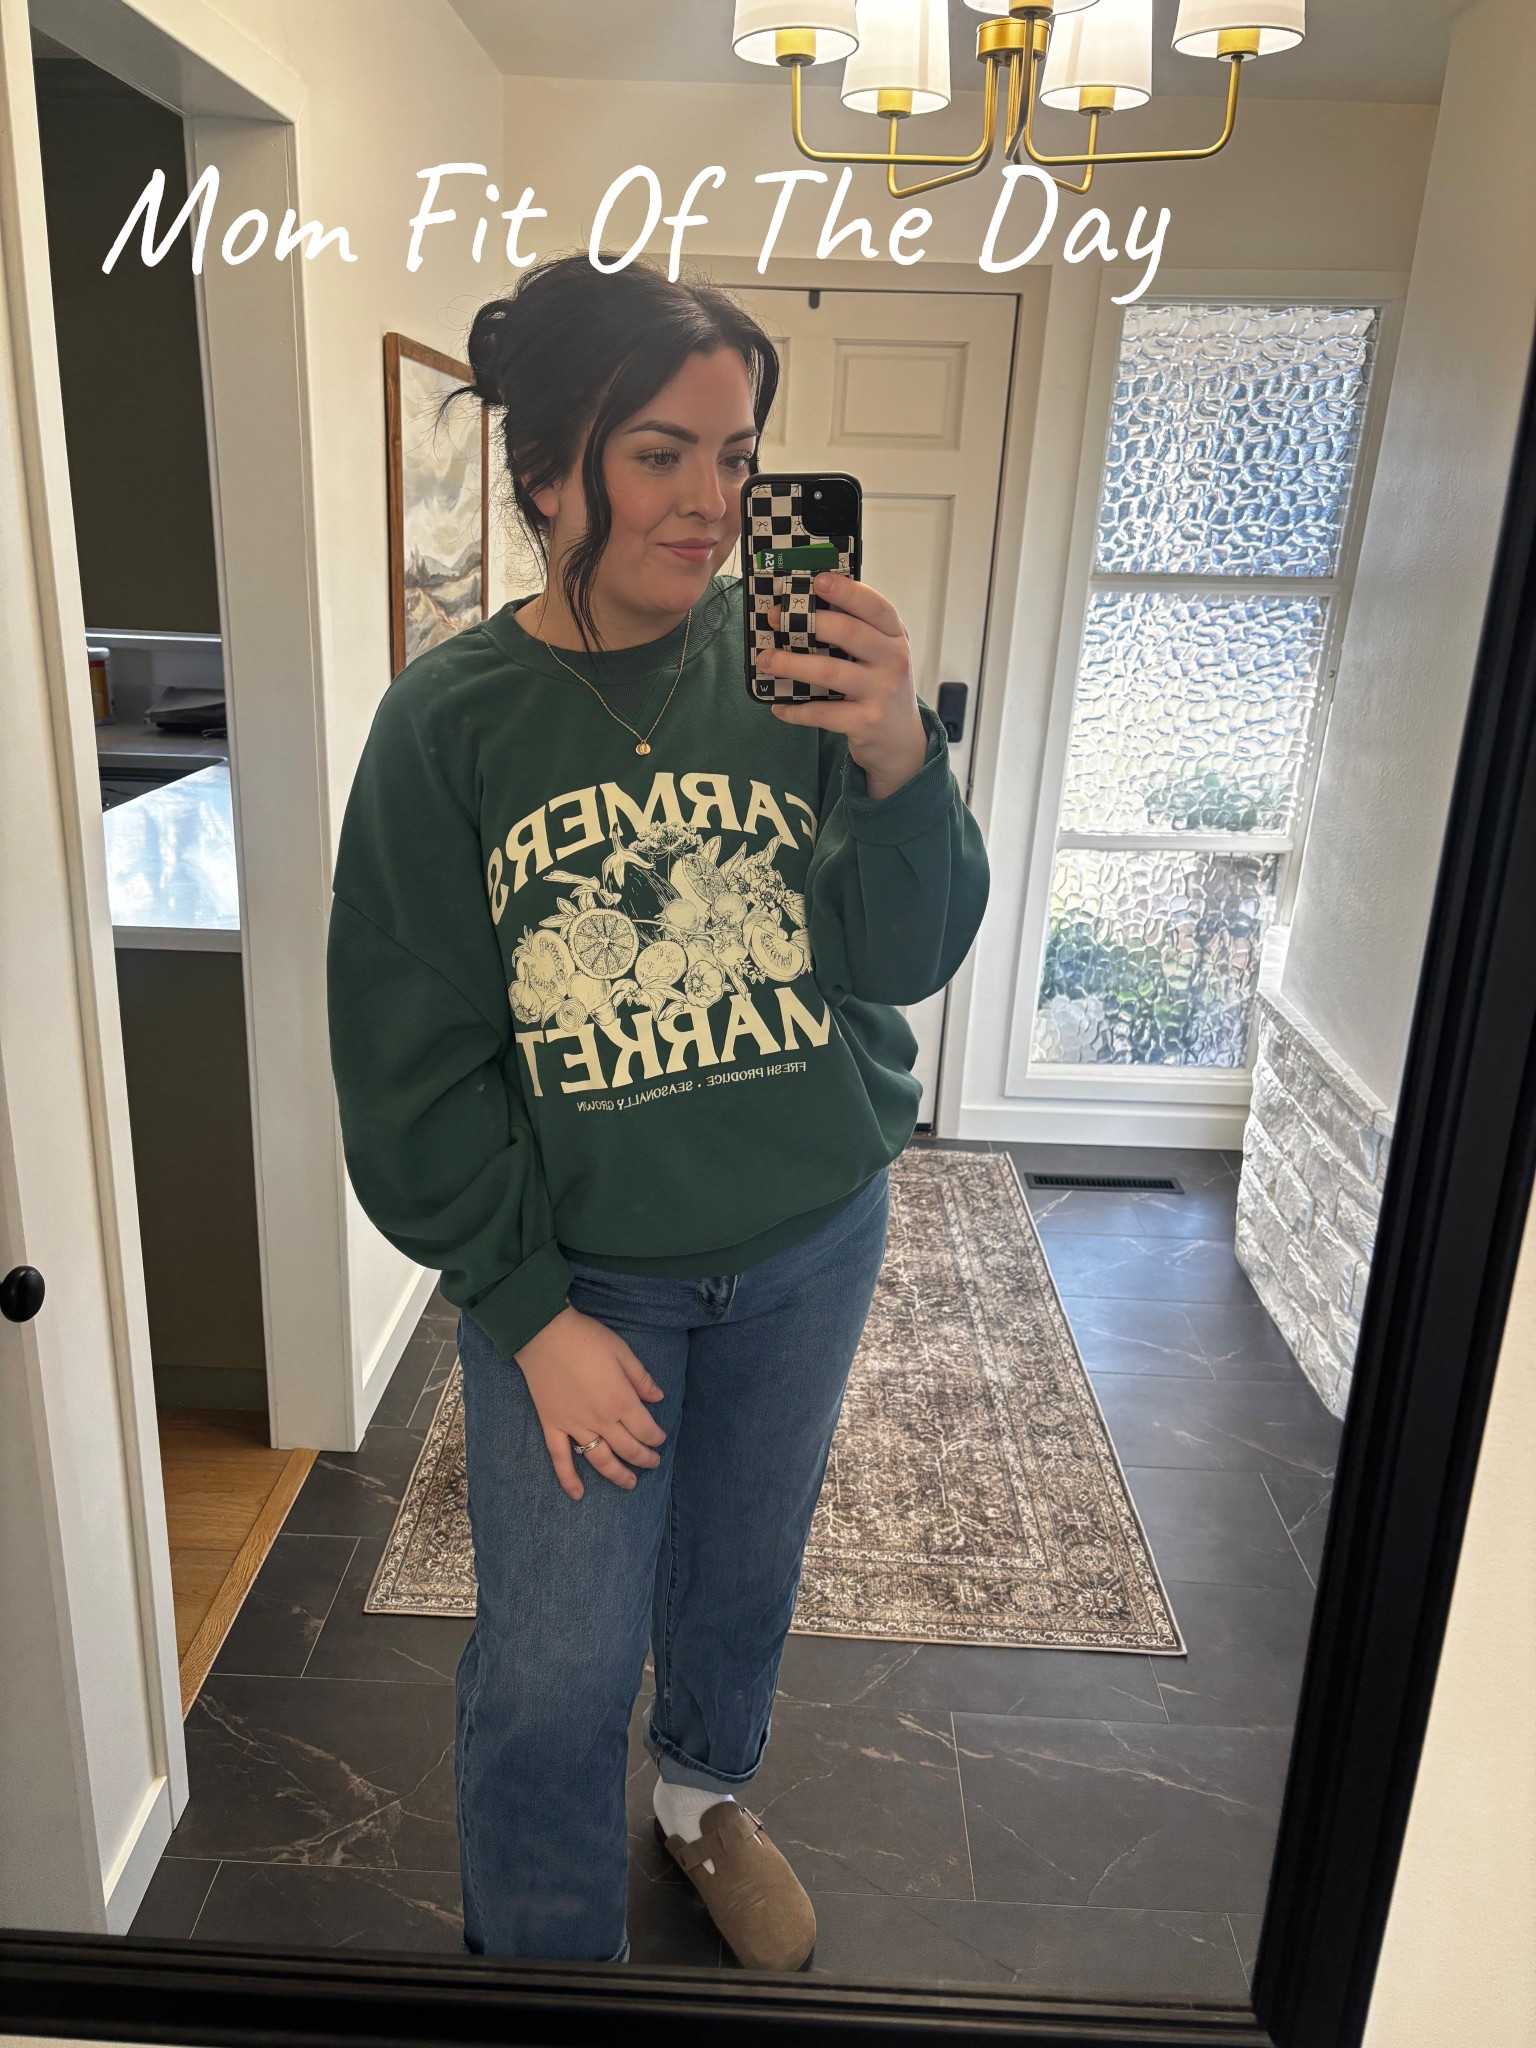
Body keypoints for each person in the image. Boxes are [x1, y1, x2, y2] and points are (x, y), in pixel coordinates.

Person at [326, 252, 990, 1969]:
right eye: (661, 454)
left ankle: (704, 1805)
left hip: (809, 1237)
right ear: (551, 468)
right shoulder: (447, 724)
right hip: (584, 1282)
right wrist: (526, 1309)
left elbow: (901, 957)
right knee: (555, 1662)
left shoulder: (795, 673)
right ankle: (548, 1961)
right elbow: (409, 1063)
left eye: (739, 457)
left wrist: (900, 760)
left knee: (741, 1576)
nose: (713, 501)